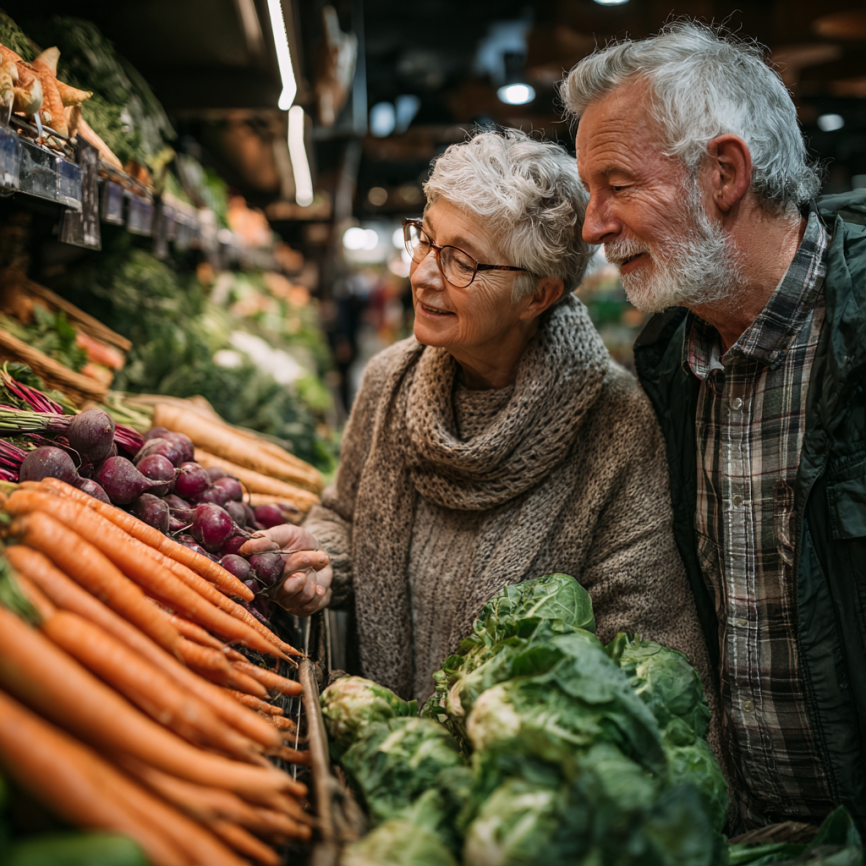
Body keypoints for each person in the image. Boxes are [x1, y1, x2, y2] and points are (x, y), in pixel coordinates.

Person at [244, 129, 710, 718]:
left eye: (463, 260)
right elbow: (344, 514)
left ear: (536, 295)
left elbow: (644, 648)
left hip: (526, 779)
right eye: (427, 240)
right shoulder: (390, 382)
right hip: (388, 753)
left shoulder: (616, 426)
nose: (424, 276)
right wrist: (319, 558)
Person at [563, 21, 866, 835]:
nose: (593, 226)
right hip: (754, 836)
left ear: (724, 172)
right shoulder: (670, 360)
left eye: (616, 184)